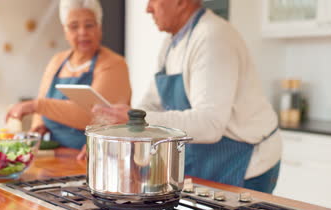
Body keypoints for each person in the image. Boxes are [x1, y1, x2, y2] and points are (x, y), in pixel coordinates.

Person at [91, 0, 282, 194]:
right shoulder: (171, 43)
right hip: (207, 156)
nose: (147, 9)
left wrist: (139, 122)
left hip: (247, 160)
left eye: (153, 0)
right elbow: (152, 102)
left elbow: (209, 125)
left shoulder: (212, 38)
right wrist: (126, 126)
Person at [6, 0, 131, 150]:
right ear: (65, 31)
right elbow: (42, 101)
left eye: (89, 25)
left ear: (100, 28)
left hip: (91, 155)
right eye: (74, 26)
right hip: (56, 153)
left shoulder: (114, 64)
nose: (82, 32)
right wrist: (39, 125)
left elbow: (94, 117)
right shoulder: (57, 61)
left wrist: (36, 106)